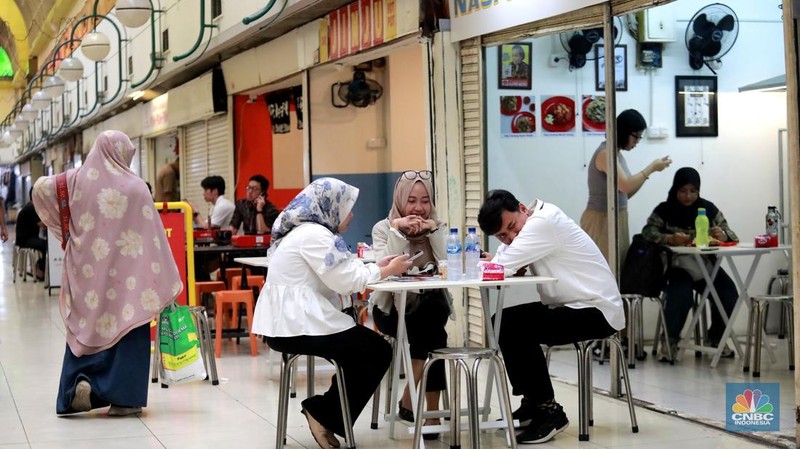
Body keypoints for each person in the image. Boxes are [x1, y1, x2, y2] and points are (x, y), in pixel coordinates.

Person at [251, 177, 412, 449]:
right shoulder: (316, 235)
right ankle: (322, 413)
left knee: (366, 351)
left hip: (289, 326)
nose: (351, 215)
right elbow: (346, 280)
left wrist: (375, 264)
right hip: (298, 326)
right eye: (348, 208)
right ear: (330, 207)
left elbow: (340, 269)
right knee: (376, 351)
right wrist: (385, 271)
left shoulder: (306, 232)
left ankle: (325, 413)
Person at [32, 130, 182, 417]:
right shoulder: (136, 187)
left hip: (86, 277)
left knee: (85, 329)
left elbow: (40, 189)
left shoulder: (75, 181)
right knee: (127, 327)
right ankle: (124, 400)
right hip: (128, 281)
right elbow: (154, 238)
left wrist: (61, 227)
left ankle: (82, 380)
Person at [477, 189, 624, 444]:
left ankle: (549, 410)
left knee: (516, 326)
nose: (512, 237)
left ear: (523, 208)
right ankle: (533, 403)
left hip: (596, 310)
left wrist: (487, 262)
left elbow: (502, 266)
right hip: (570, 305)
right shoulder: (535, 222)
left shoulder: (542, 223)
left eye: (512, 227)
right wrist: (500, 261)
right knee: (504, 322)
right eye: (503, 236)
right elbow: (504, 262)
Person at [370, 170, 450, 437]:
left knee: (432, 318)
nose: (419, 208)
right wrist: (398, 231)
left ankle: (412, 400)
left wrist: (434, 231)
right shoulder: (383, 228)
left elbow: (448, 266)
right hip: (391, 311)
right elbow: (386, 268)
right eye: (412, 200)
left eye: (425, 201)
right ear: (400, 200)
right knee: (434, 331)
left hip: (427, 310)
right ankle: (429, 414)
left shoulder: (438, 226)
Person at [641, 167, 739, 360]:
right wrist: (669, 239)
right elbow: (647, 232)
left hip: (706, 265)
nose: (688, 196)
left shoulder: (708, 209)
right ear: (675, 189)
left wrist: (722, 234)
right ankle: (669, 341)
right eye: (683, 191)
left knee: (729, 293)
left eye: (693, 191)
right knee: (680, 296)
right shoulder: (664, 210)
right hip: (677, 266)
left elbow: (732, 234)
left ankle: (716, 339)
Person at [579, 109, 672, 264]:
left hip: (616, 216)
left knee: (619, 269)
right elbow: (626, 186)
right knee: (605, 271)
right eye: (636, 137)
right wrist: (652, 167)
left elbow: (624, 193)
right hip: (601, 219)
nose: (637, 142)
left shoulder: (616, 154)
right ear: (625, 132)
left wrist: (648, 174)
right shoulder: (605, 153)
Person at [15, 189, 46, 279]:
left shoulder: (31, 207)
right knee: (46, 246)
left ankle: (40, 268)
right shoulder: (31, 208)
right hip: (25, 240)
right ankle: (39, 268)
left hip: (28, 238)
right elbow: (42, 225)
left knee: (45, 244)